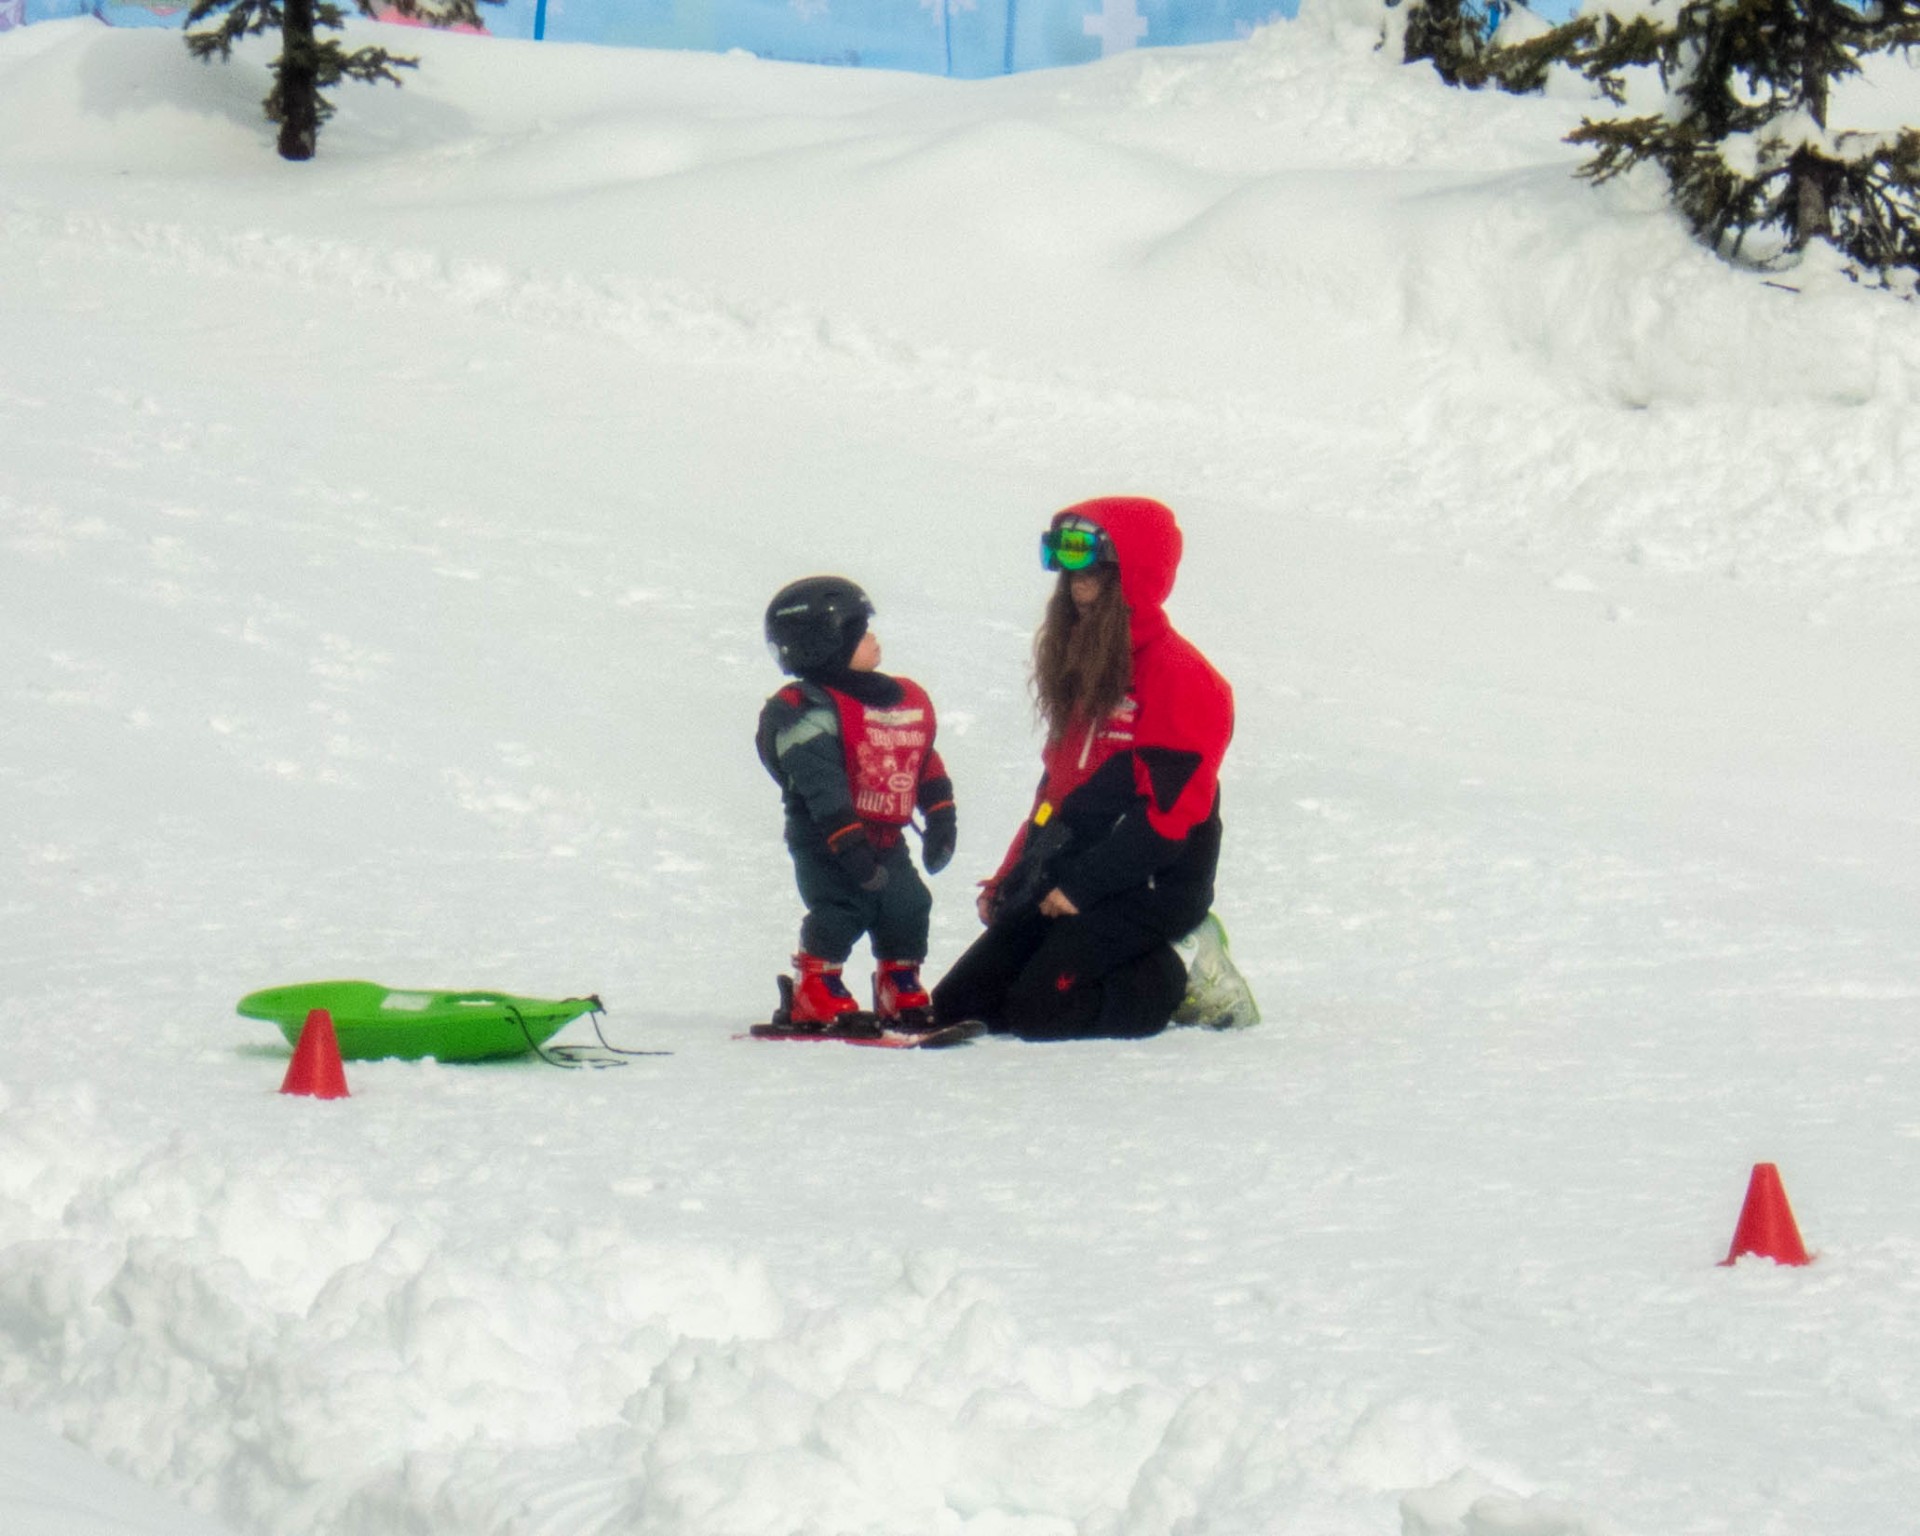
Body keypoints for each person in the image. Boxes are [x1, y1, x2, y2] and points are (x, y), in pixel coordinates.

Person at [930, 495, 1246, 1041]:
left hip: (1150, 882)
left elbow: (1172, 819)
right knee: (962, 1003)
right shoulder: (1089, 666)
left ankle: (1181, 970)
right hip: (1072, 868)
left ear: (1132, 579)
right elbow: (1058, 792)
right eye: (1070, 575)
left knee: (1040, 1011)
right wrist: (1015, 876)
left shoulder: (1180, 676)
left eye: (1094, 575)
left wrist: (1084, 885)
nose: (1077, 588)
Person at [757, 575, 957, 1034]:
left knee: (907, 902)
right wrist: (847, 843)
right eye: (860, 632)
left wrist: (941, 813)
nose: (873, 638)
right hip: (826, 836)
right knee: (844, 905)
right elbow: (821, 783)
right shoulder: (808, 709)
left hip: (886, 835)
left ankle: (898, 979)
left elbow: (917, 753)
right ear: (827, 644)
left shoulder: (896, 700)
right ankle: (815, 985)